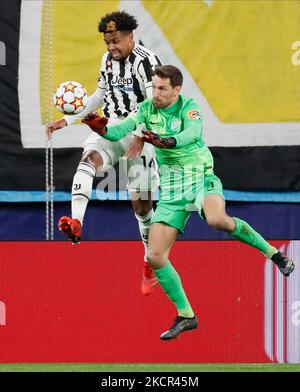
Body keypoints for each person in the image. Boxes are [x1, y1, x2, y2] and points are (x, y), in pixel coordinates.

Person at [81, 64, 295, 340]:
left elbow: (191, 134)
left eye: (162, 89)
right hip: (171, 191)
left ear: (176, 90)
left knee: (217, 219)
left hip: (200, 178)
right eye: (154, 87)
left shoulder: (188, 107)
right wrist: (100, 128)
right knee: (154, 256)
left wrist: (166, 141)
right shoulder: (147, 109)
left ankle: (274, 254)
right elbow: (120, 130)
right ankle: (186, 315)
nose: (155, 93)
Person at [46, 11, 162, 296]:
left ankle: (150, 261)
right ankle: (76, 222)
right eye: (108, 43)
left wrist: (138, 136)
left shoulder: (147, 62)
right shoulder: (107, 60)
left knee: (142, 207)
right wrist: (68, 120)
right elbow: (99, 95)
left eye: (116, 41)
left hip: (140, 134)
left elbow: (153, 104)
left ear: (131, 36)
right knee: (88, 161)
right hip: (109, 128)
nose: (111, 48)